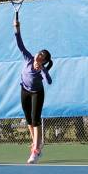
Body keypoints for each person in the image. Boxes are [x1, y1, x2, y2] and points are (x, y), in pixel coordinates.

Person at [14, 19, 53, 164]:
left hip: (37, 93)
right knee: (29, 120)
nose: (39, 55)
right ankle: (37, 143)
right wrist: (17, 28)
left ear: (43, 61)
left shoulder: (42, 69)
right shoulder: (28, 58)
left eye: (42, 56)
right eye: (39, 53)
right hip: (24, 89)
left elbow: (49, 81)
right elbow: (20, 44)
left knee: (35, 120)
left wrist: (43, 69)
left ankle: (35, 152)